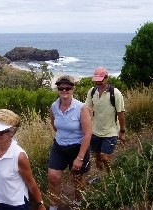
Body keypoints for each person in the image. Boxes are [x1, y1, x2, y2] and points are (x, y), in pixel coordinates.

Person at [48, 75, 92, 210]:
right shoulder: (54, 107)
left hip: (78, 147)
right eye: (61, 88)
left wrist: (79, 158)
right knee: (53, 177)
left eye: (68, 87)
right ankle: (53, 207)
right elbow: (55, 126)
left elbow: (88, 133)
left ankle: (78, 203)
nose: (64, 90)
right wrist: (64, 136)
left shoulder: (81, 108)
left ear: (73, 89)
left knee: (77, 179)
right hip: (59, 146)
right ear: (58, 89)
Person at [85, 67, 126, 177]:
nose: (98, 82)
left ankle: (111, 175)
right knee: (97, 158)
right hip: (95, 131)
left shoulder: (115, 93)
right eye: (96, 79)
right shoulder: (92, 92)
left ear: (107, 78)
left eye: (101, 79)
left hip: (111, 131)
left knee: (104, 157)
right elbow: (87, 109)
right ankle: (101, 176)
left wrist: (122, 131)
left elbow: (121, 113)